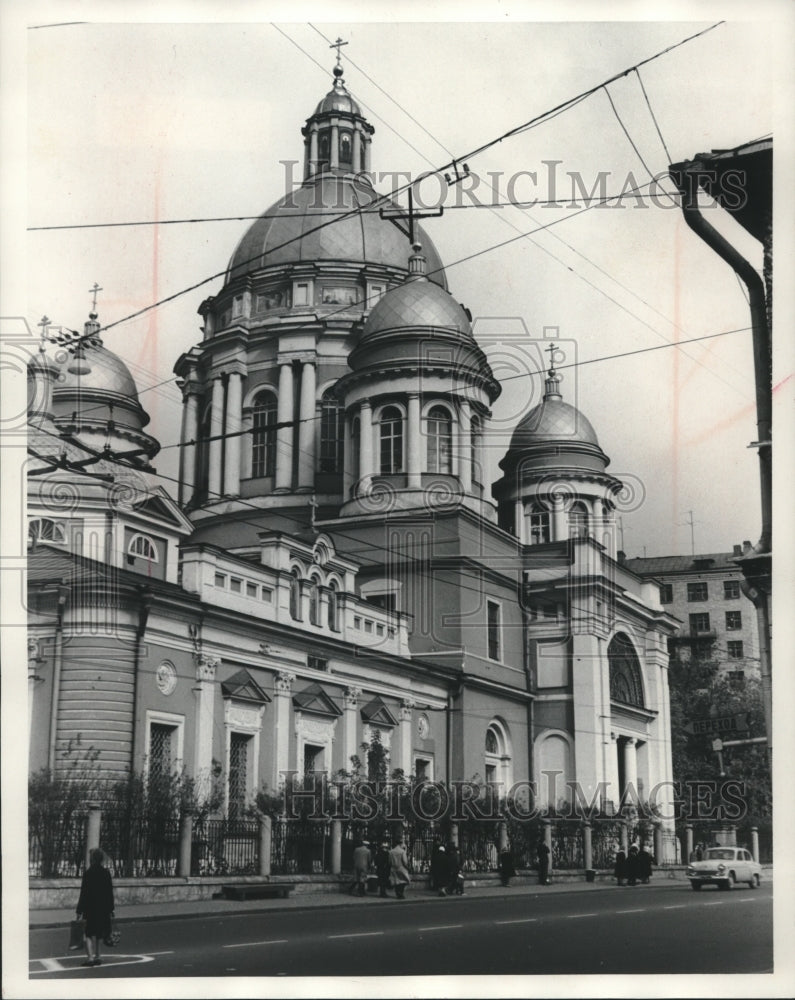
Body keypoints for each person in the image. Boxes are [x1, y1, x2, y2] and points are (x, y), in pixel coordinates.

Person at [76, 848, 114, 967]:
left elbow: (83, 893)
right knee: (99, 933)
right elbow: (109, 893)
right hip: (103, 908)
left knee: (88, 933)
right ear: (101, 859)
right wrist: (111, 909)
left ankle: (90, 958)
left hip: (90, 908)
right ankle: (98, 956)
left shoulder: (88, 873)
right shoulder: (106, 873)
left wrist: (79, 910)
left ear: (92, 859)